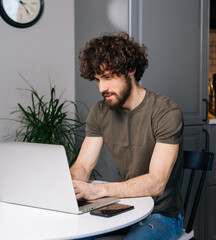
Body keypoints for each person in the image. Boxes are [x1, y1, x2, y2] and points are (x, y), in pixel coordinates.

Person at [70, 32, 184, 239]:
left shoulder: (165, 111)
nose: (101, 88)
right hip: (123, 206)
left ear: (130, 69)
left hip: (162, 215)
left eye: (107, 77)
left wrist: (97, 191)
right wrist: (69, 186)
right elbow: (83, 166)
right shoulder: (100, 111)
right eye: (97, 80)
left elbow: (157, 183)